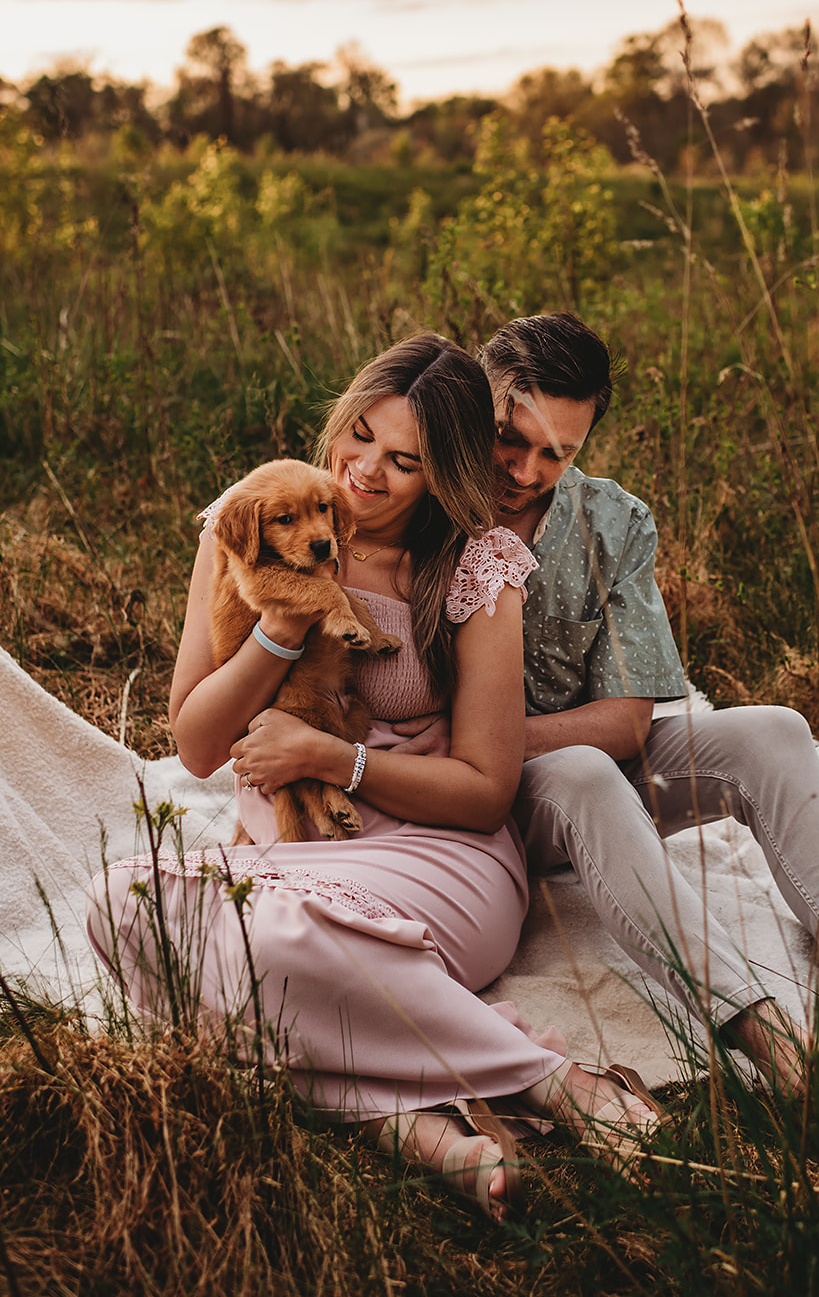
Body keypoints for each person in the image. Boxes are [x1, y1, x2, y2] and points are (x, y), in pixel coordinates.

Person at [394, 314, 819, 1150]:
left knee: (773, 730)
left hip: (569, 758)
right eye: (512, 440)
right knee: (583, 769)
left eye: (558, 453)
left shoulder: (613, 522)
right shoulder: (421, 498)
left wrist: (516, 736)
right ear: (479, 404)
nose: (526, 470)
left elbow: (627, 717)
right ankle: (786, 1060)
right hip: (484, 800)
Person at [86, 333, 661, 1222]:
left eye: (405, 461)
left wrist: (332, 757)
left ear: (444, 473)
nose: (364, 473)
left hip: (442, 849)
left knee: (256, 957)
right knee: (122, 907)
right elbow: (198, 743)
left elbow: (483, 787)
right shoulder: (250, 522)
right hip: (294, 846)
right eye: (358, 437)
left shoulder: (476, 564)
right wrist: (283, 624)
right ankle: (411, 1129)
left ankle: (552, 1078)